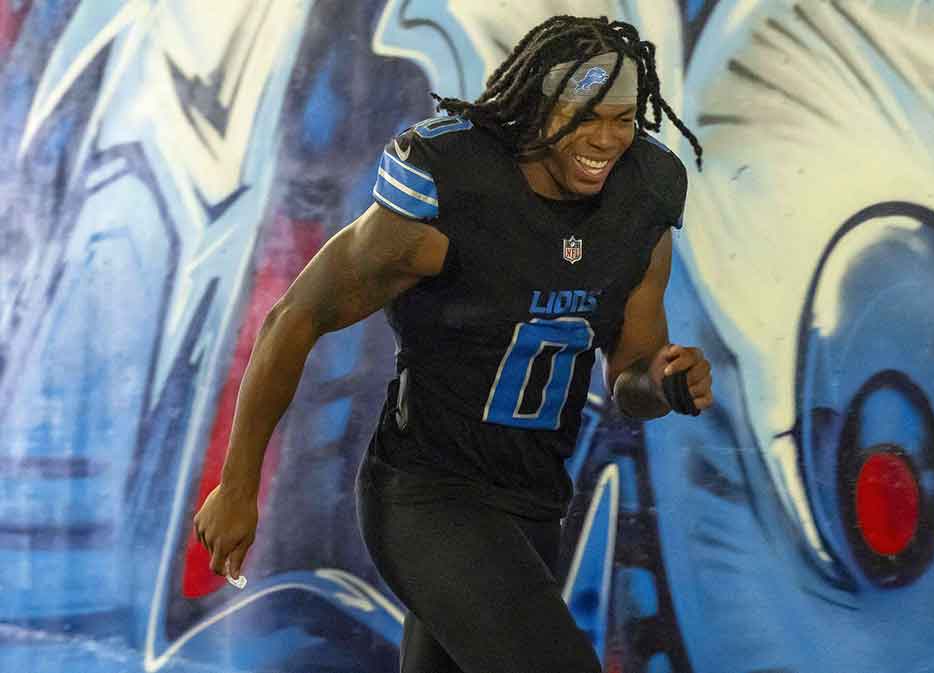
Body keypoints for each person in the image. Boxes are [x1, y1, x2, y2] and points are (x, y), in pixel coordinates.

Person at [193, 14, 713, 673]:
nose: (606, 139)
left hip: (532, 502)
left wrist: (664, 381)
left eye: (621, 118)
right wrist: (237, 485)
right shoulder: (453, 191)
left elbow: (631, 371)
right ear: (538, 106)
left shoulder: (642, 197)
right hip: (427, 495)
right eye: (586, 116)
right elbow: (296, 316)